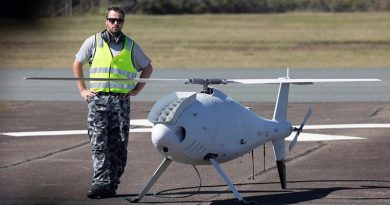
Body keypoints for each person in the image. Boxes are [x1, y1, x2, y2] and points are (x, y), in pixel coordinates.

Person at [72, 6, 153, 199]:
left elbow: (147, 67)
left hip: (120, 102)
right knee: (99, 143)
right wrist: (83, 90)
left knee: (119, 144)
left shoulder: (131, 45)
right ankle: (99, 183)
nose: (115, 23)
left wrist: (136, 90)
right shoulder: (93, 42)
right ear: (106, 21)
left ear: (123, 22)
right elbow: (77, 63)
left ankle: (111, 184)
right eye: (112, 20)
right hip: (98, 100)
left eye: (119, 20)